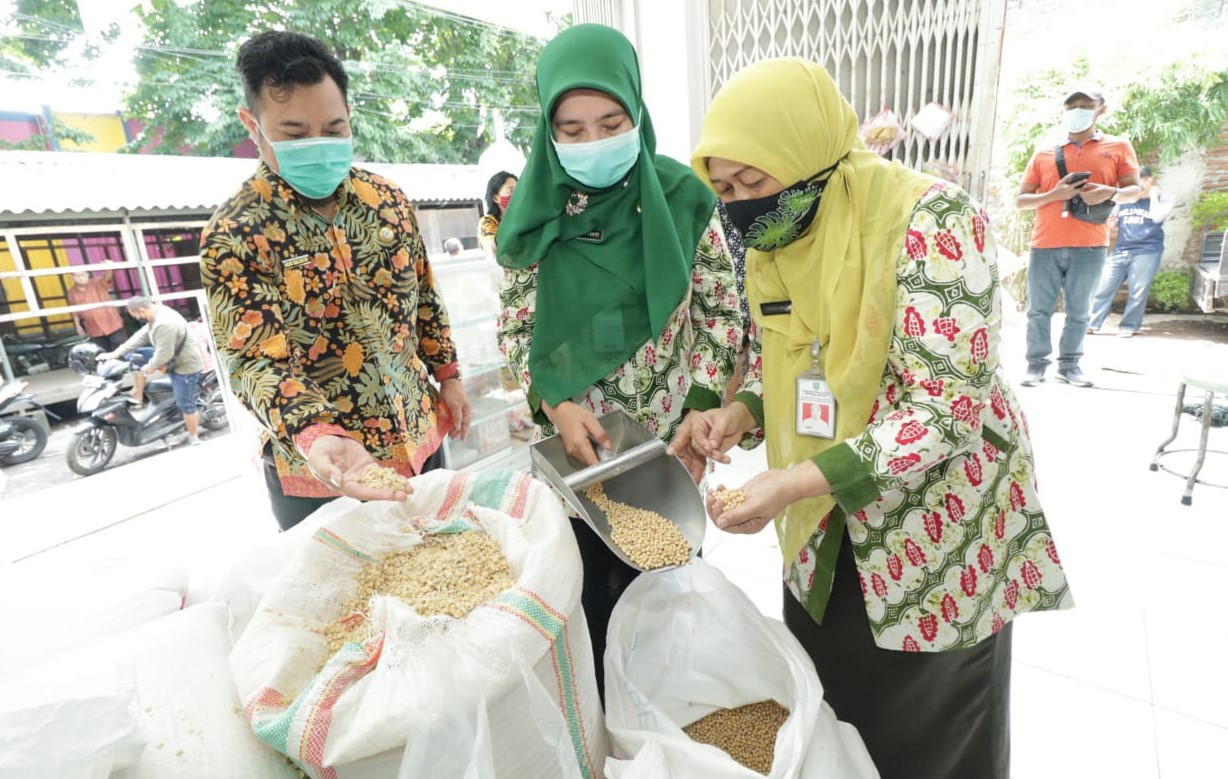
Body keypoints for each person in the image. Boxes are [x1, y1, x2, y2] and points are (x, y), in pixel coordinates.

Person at [669, 58, 1072, 779]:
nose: (740, 206)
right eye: (725, 189)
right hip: (826, 530)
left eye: (755, 182)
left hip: (936, 529)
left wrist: (792, 482)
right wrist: (742, 410)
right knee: (839, 709)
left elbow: (945, 406)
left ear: (808, 152)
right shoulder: (776, 243)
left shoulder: (932, 219)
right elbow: (788, 359)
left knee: (933, 729)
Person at [496, 24, 741, 694]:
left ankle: (665, 731)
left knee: (668, 613)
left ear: (638, 111)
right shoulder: (535, 211)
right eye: (570, 129)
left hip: (666, 457)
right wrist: (556, 401)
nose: (592, 142)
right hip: (573, 459)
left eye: (611, 121)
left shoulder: (683, 200)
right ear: (548, 129)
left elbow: (722, 315)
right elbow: (516, 328)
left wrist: (698, 411)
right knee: (588, 617)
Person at [199, 30, 472, 530]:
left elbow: (425, 299)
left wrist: (448, 376)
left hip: (418, 434)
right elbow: (252, 359)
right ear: (252, 125)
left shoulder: (387, 201)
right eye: (295, 134)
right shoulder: (234, 232)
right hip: (321, 470)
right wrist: (316, 432)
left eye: (333, 128)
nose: (318, 146)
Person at [1015, 86, 1142, 388]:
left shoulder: (1118, 147)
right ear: (1064, 111)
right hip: (1044, 244)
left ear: (1102, 109)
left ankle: (1070, 365)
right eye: (1072, 105)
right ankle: (1035, 365)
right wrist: (1055, 194)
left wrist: (1109, 192)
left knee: (1080, 310)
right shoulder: (1044, 152)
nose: (1078, 110)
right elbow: (1021, 200)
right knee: (1038, 309)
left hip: (1090, 246)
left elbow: (1134, 191)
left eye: (1086, 104)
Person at [99, 297, 205, 445]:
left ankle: (193, 436)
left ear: (141, 310)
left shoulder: (163, 323)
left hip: (184, 365)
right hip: (170, 356)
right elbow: (140, 337)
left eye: (136, 315)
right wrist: (115, 353)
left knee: (185, 404)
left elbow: (163, 355)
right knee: (133, 357)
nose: (137, 318)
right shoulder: (155, 314)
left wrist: (148, 369)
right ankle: (138, 394)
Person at [1088, 165, 1174, 337]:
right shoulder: (1124, 199)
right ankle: (1092, 323)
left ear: (1149, 180)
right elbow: (1111, 222)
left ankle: (1129, 326)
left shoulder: (1165, 198)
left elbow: (1157, 217)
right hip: (1121, 249)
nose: (1134, 184)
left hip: (1147, 251)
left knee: (1138, 291)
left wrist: (1153, 197)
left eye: (1139, 179)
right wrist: (1110, 224)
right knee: (1104, 287)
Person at [66, 262, 127, 351]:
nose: (81, 277)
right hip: (94, 329)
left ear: (87, 274)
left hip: (112, 324)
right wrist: (78, 325)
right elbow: (74, 310)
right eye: (78, 276)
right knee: (103, 352)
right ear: (72, 277)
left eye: (83, 274)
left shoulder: (97, 282)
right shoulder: (72, 292)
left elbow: (108, 277)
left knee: (122, 349)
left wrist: (109, 268)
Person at [479, 171, 517, 257]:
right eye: (511, 191)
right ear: (496, 198)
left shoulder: (524, 219)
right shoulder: (487, 222)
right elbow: (493, 248)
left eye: (518, 190)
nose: (517, 195)